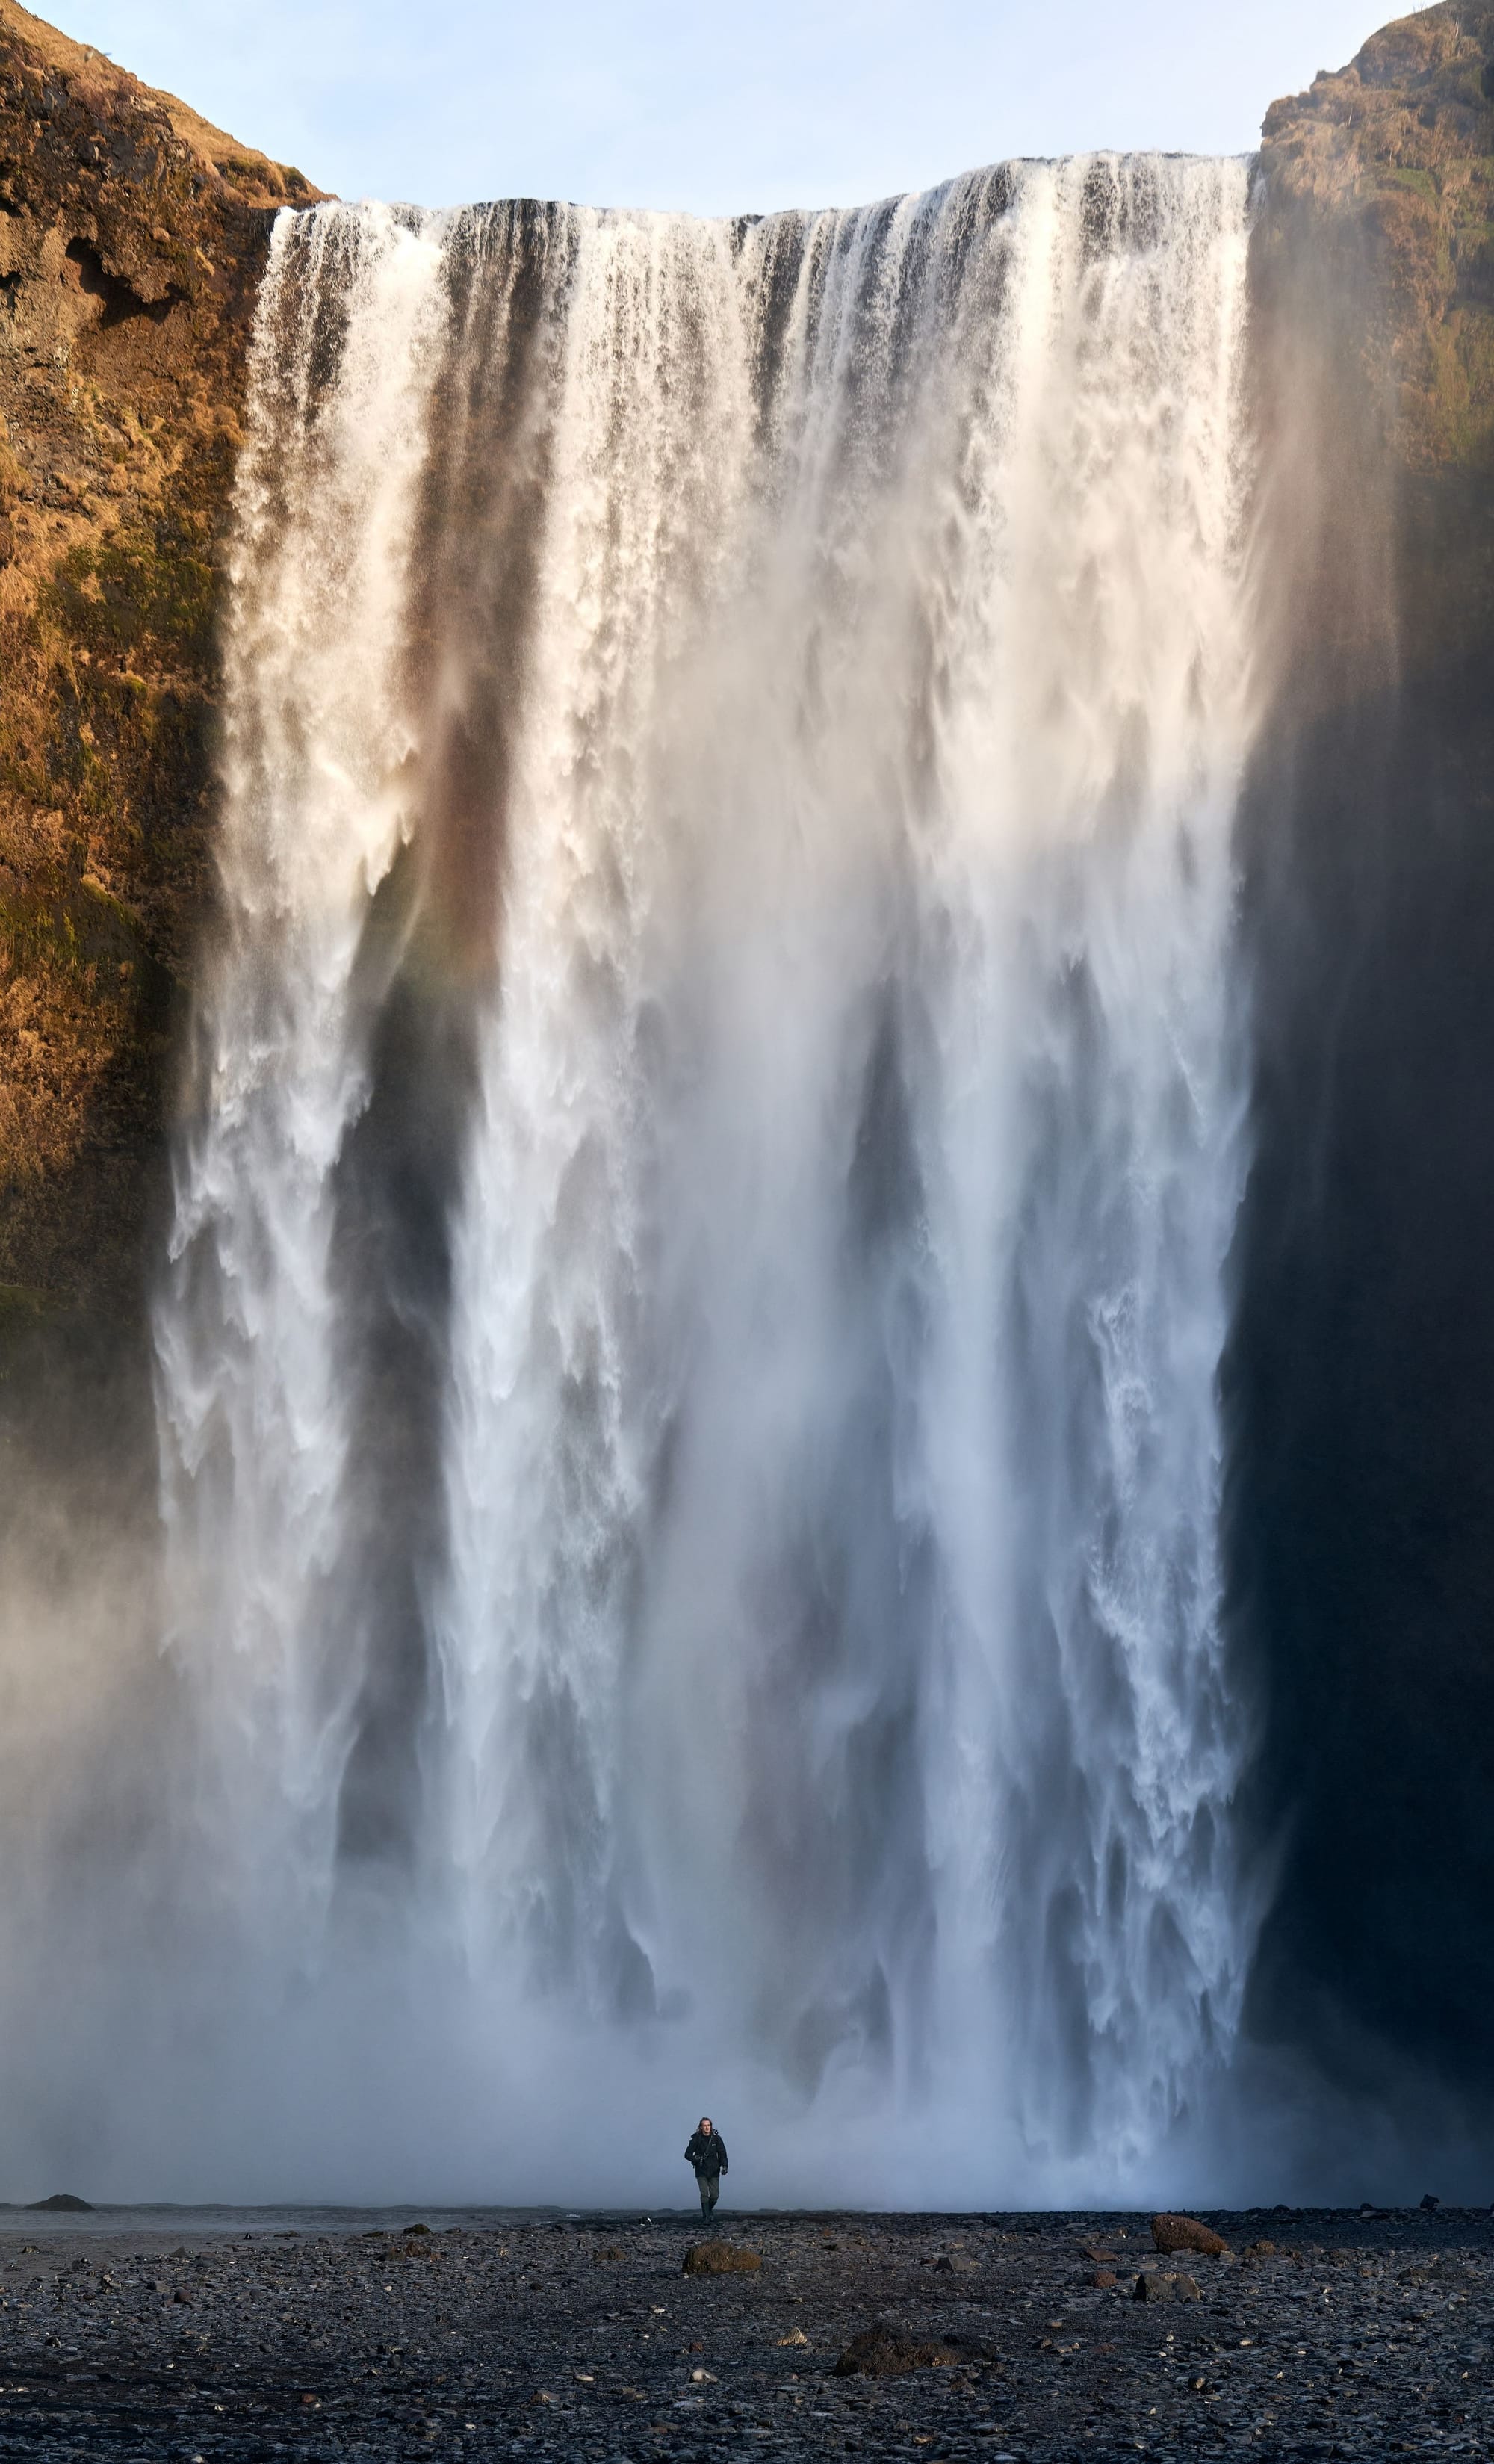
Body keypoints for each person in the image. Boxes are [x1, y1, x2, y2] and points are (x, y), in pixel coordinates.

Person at [684, 2115, 728, 2222]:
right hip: (701, 2170)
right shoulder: (696, 2139)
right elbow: (687, 2154)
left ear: (711, 2126)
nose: (707, 2127)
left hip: (714, 2170)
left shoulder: (717, 2139)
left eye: (708, 2125)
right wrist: (695, 2158)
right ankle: (706, 2217)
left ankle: (708, 2211)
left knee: (715, 2195)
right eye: (704, 2125)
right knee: (704, 2194)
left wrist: (725, 2166)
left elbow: (722, 2153)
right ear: (701, 2127)